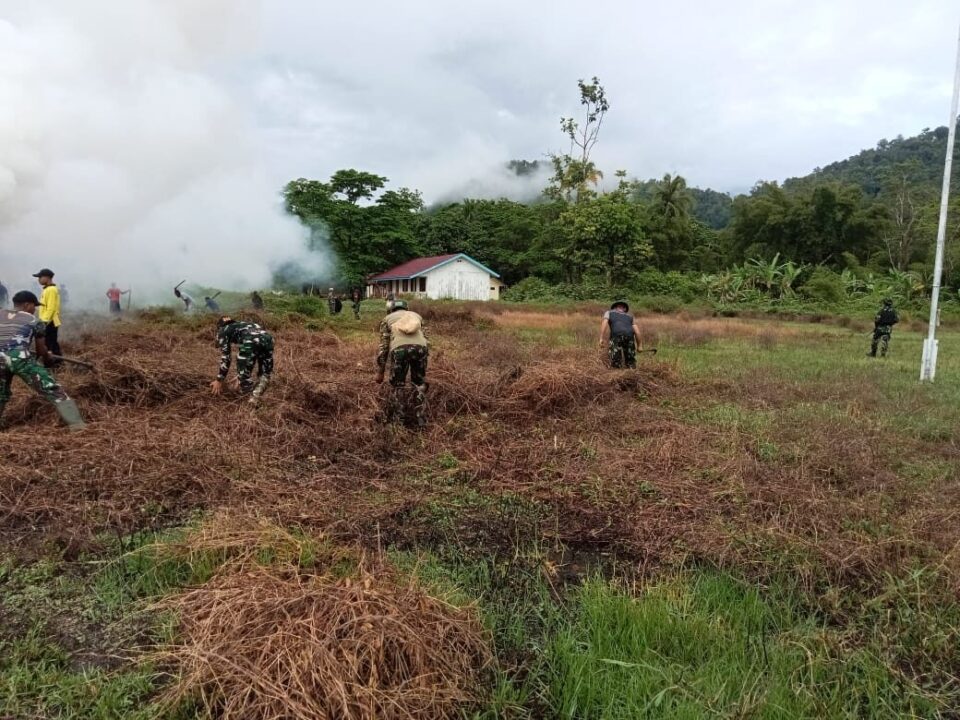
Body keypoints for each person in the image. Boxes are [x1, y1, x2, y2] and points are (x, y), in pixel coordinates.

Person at [0, 291, 85, 430]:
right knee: (51, 388)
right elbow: (40, 350)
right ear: (27, 305)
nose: (35, 309)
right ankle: (77, 424)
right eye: (35, 306)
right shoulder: (35, 321)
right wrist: (47, 357)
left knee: (0, 393)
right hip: (19, 358)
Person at [376, 299, 429, 426]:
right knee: (419, 384)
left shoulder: (387, 319)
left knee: (397, 385)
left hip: (400, 350)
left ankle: (398, 421)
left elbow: (384, 347)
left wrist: (380, 372)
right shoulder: (417, 316)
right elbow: (427, 339)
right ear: (407, 308)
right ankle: (420, 419)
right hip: (421, 349)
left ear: (392, 309)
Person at [210, 316, 274, 405]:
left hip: (250, 342)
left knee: (244, 377)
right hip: (268, 339)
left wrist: (219, 379)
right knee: (265, 373)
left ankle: (249, 403)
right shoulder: (245, 324)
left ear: (220, 326)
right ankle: (255, 397)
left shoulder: (223, 330)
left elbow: (226, 358)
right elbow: (257, 342)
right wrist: (241, 373)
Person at [599, 300, 644, 369]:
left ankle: (617, 372)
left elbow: (604, 323)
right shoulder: (630, 316)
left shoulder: (609, 312)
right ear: (625, 309)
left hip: (616, 335)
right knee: (630, 359)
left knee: (615, 359)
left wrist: (601, 338)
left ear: (614, 308)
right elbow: (637, 332)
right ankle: (631, 372)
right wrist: (639, 346)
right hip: (629, 336)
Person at [32, 269, 62, 367]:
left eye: (40, 277)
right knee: (51, 343)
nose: (39, 279)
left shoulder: (52, 290)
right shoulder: (47, 289)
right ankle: (56, 363)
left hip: (50, 321)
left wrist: (44, 322)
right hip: (47, 321)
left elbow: (51, 308)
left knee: (50, 344)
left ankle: (55, 364)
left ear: (47, 277)